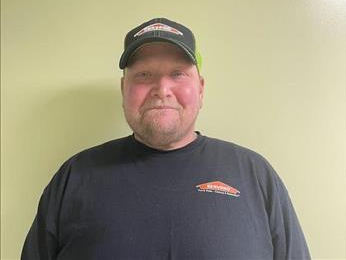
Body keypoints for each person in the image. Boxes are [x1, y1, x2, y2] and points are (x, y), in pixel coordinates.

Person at [21, 18, 311, 260]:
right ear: (124, 88)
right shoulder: (75, 176)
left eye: (178, 74)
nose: (162, 88)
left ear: (200, 88)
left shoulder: (255, 175)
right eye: (144, 74)